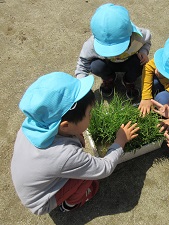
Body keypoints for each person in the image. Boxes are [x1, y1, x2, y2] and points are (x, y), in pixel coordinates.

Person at [11, 72, 139, 215]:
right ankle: (69, 204)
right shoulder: (65, 155)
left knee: (78, 168)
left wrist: (74, 134)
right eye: (89, 113)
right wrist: (119, 142)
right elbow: (104, 168)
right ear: (65, 126)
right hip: (41, 201)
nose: (91, 115)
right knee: (87, 177)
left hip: (33, 185)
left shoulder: (33, 124)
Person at [75, 3, 151, 100]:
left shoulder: (140, 36)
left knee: (142, 64)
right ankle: (109, 78)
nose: (115, 53)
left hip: (130, 61)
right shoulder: (91, 45)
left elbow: (147, 42)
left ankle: (128, 81)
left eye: (120, 47)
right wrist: (81, 87)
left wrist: (144, 52)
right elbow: (82, 64)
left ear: (131, 34)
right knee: (96, 66)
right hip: (107, 64)